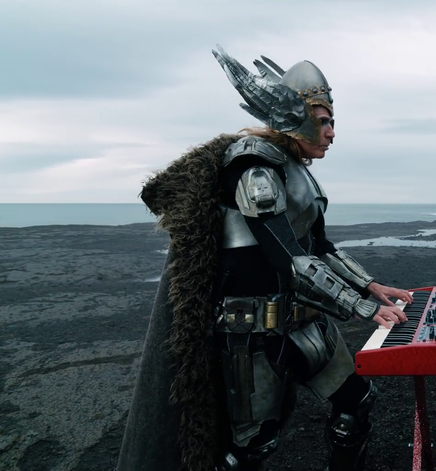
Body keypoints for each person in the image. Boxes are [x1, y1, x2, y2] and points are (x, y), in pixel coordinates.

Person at [116, 45, 412, 471]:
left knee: (356, 403)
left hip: (306, 323)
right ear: (297, 117)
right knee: (253, 447)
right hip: (252, 333)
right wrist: (362, 308)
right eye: (325, 121)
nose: (331, 132)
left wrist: (369, 286)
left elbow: (319, 247)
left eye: (332, 122)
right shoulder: (252, 164)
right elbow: (289, 259)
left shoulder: (298, 169)